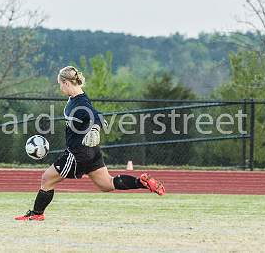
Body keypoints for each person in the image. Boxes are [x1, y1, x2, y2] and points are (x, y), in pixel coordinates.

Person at [15, 66, 165, 221]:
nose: (60, 88)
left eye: (60, 84)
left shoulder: (80, 104)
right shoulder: (78, 98)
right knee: (106, 184)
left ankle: (37, 214)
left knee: (47, 179)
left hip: (77, 154)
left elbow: (97, 116)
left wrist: (95, 128)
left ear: (66, 83)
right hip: (91, 151)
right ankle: (140, 182)